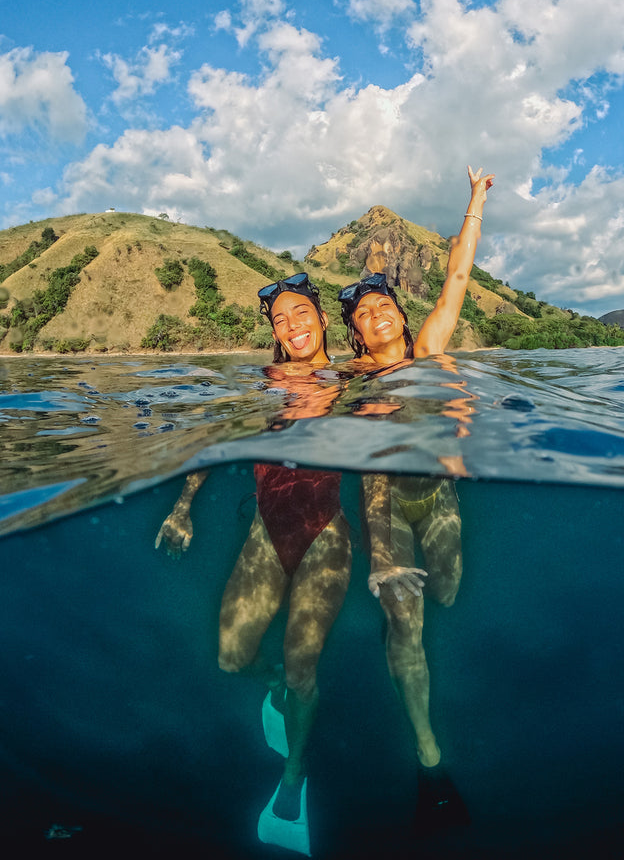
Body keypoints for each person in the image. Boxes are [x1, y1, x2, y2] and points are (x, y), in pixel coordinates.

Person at [156, 273, 350, 857]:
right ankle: (271, 684)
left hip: (327, 537)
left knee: (303, 673)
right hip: (267, 533)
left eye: (299, 313)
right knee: (231, 657)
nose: (290, 327)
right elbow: (216, 440)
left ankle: (293, 777)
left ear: (321, 317)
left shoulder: (351, 380)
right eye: (278, 321)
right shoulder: (262, 385)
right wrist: (183, 506)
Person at [338, 165, 493, 831]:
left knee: (450, 591)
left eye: (382, 306)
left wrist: (474, 202)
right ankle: (430, 758)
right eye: (361, 313)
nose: (373, 315)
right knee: (410, 621)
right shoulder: (350, 374)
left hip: (437, 497)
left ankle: (397, 612)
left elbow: (457, 274)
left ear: (400, 314)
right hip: (383, 507)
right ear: (355, 332)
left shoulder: (430, 349)